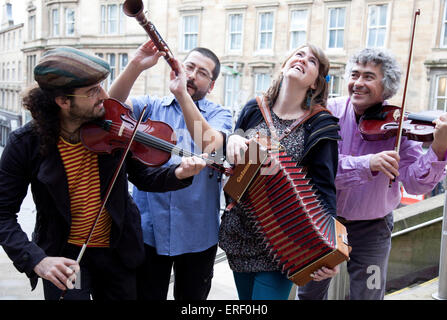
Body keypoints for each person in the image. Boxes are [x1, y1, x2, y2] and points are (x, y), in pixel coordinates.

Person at [0, 46, 206, 300]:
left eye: (101, 85)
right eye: (92, 91)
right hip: (66, 258)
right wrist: (37, 260)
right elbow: (2, 214)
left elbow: (143, 177)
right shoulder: (25, 143)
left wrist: (179, 174)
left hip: (117, 252)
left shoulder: (110, 129)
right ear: (64, 102)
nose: (105, 95)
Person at [297, 48, 447, 300]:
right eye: (354, 74)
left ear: (386, 85)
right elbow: (322, 168)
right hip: (322, 221)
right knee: (309, 293)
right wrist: (369, 163)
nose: (358, 83)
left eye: (368, 77)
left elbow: (415, 184)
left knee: (369, 293)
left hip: (373, 230)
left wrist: (438, 147)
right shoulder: (328, 112)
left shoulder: (398, 125)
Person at [109, 41, 232, 300]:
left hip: (198, 236)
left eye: (202, 73)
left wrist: (182, 96)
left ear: (211, 86)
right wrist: (135, 65)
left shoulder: (220, 114)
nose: (193, 75)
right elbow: (111, 107)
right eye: (189, 67)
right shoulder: (149, 106)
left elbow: (210, 143)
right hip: (148, 231)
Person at [218, 44, 341, 300]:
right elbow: (230, 157)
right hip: (240, 232)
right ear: (284, 65)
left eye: (312, 61)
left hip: (284, 240)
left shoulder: (321, 125)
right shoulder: (253, 108)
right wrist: (232, 140)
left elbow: (325, 190)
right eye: (298, 54)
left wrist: (330, 249)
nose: (302, 60)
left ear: (316, 84)